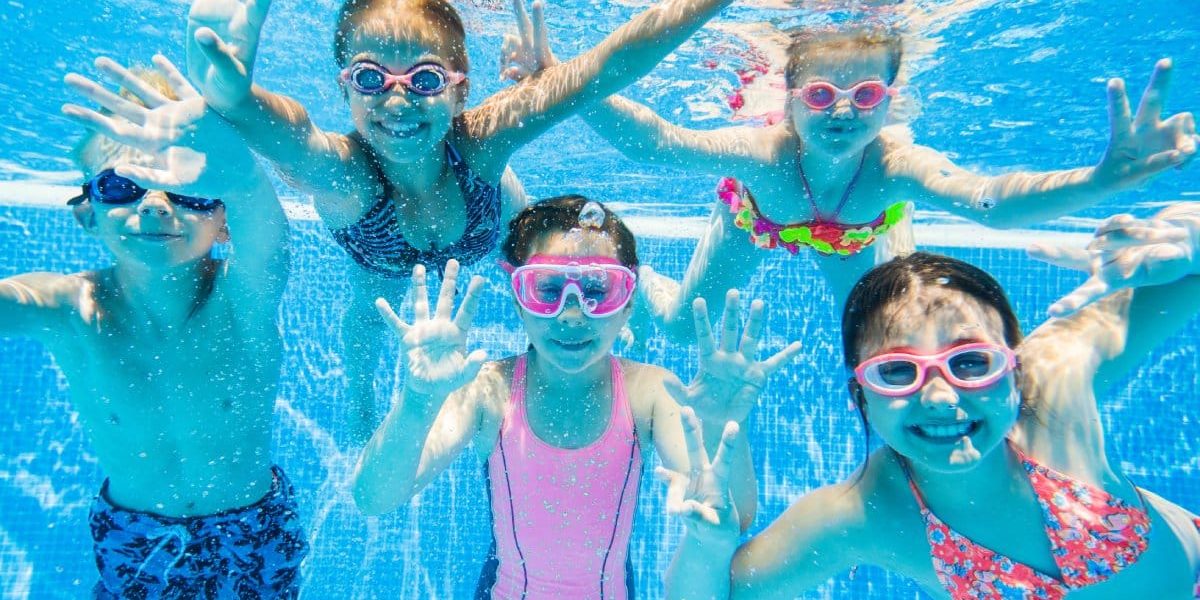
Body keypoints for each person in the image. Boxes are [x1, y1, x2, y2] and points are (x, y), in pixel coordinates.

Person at [184, 0, 742, 439]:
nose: (397, 101)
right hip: (381, 259)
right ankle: (358, 398)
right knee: (366, 313)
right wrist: (234, 96)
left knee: (563, 261)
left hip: (494, 227)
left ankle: (630, 294)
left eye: (424, 80)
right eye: (371, 79)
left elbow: (603, 67)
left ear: (460, 88)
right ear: (344, 88)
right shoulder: (345, 175)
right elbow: (291, 134)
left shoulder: (478, 143)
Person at [502, 14, 1199, 343]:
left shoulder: (893, 164)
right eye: (820, 97)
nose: (841, 113)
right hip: (759, 220)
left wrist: (1102, 178)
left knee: (889, 334)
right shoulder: (765, 154)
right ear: (790, 97)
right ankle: (647, 283)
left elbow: (987, 202)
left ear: (889, 101)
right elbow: (658, 143)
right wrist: (559, 79)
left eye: (864, 96)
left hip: (862, 234)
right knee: (686, 328)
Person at [661, 203, 1200, 599]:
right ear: (862, 397)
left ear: (1014, 364)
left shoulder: (1057, 376)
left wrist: (1190, 236)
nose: (941, 398)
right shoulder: (865, 512)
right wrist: (708, 543)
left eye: (970, 362)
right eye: (897, 372)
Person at [352, 196, 801, 598]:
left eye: (597, 290)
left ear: (627, 303)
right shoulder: (488, 390)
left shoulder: (649, 393)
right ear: (518, 299)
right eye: (547, 289)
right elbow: (374, 497)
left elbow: (731, 514)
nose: (572, 314)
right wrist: (417, 402)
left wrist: (724, 426)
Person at [0, 56, 306, 597]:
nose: (157, 204)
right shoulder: (71, 308)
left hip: (252, 529)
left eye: (190, 188)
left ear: (224, 220)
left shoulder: (244, 298)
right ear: (87, 212)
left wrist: (234, 165)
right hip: (136, 538)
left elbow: (269, 230)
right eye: (122, 186)